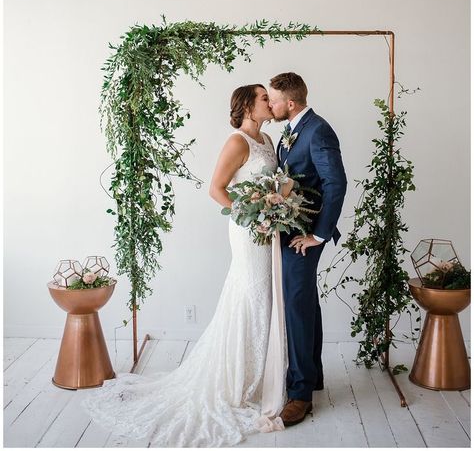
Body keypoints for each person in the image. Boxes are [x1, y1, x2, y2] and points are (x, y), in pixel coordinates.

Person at [82, 84, 285, 447]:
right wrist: (254, 217)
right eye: (264, 99)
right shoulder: (237, 142)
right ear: (247, 107)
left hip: (267, 231)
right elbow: (217, 189)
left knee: (264, 298)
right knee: (251, 295)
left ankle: (257, 376)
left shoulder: (268, 139)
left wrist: (274, 209)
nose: (270, 103)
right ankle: (237, 382)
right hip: (248, 231)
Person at [268, 72, 347, 427]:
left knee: (297, 306)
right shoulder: (291, 130)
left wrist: (318, 234)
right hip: (290, 230)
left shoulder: (318, 130)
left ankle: (300, 395)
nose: (269, 105)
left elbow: (336, 182)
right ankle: (312, 377)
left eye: (273, 99)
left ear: (290, 103)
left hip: (305, 234)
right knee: (304, 302)